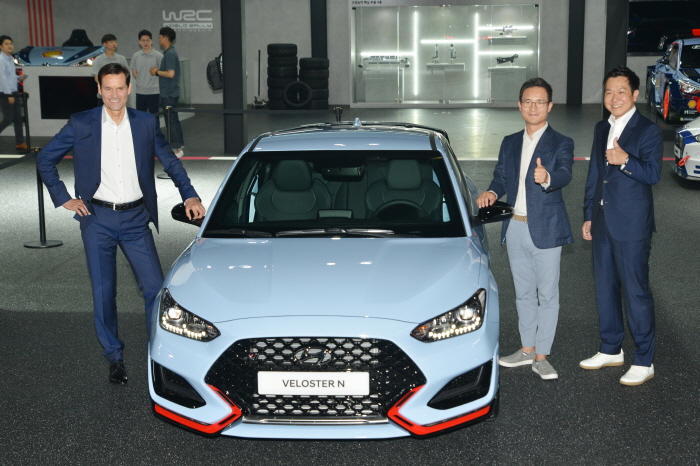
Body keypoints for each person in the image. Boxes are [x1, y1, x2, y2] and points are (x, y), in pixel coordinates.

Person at [36, 63, 206, 385]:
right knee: (104, 293)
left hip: (135, 219)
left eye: (120, 88)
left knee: (155, 289)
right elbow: (45, 158)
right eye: (108, 88)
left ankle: (160, 353)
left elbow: (170, 161)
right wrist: (64, 198)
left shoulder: (145, 123)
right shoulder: (81, 122)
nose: (114, 95)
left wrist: (190, 195)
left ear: (129, 89)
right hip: (96, 219)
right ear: (99, 89)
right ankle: (114, 356)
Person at [477, 77, 574, 381]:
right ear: (520, 105)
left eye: (539, 102)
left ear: (550, 106)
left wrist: (547, 178)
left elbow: (565, 173)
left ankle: (542, 356)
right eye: (528, 101)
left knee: (548, 295)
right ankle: (527, 349)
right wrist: (492, 191)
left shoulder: (561, 142)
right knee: (523, 294)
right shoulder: (510, 141)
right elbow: (501, 177)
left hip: (546, 228)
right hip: (515, 228)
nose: (533, 107)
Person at [580, 66, 663, 386]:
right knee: (604, 290)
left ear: (635, 95)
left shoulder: (648, 130)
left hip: (632, 224)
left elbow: (653, 174)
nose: (614, 98)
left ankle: (644, 359)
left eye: (621, 92)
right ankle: (611, 348)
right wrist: (589, 213)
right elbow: (595, 175)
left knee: (635, 292)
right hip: (602, 221)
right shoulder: (602, 127)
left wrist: (625, 160)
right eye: (608, 92)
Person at [150, 27, 183, 157]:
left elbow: (170, 74)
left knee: (171, 121)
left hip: (169, 93)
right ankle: (178, 146)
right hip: (170, 93)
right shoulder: (170, 53)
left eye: (160, 36)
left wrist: (157, 72)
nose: (159, 39)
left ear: (165, 38)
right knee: (173, 119)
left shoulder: (170, 54)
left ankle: (176, 149)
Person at [0, 35, 28, 151]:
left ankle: (20, 143)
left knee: (18, 118)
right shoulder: (1, 60)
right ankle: (20, 142)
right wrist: (9, 94)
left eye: (11, 43)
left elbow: (10, 76)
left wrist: (19, 78)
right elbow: (1, 78)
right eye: (6, 44)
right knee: (8, 118)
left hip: (13, 91)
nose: (9, 46)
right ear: (1, 46)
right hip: (5, 92)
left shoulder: (10, 59)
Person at [130, 30, 162, 114]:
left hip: (154, 92)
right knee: (141, 116)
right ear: (139, 42)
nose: (145, 43)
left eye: (147, 40)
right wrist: (141, 81)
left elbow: (162, 72)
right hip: (140, 92)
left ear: (151, 41)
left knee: (154, 116)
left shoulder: (158, 56)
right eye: (143, 40)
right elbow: (134, 73)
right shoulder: (136, 56)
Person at [92, 34, 128, 106]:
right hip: (103, 95)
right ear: (104, 44)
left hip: (118, 95)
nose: (114, 44)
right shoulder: (98, 59)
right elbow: (96, 77)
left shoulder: (121, 59)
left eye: (115, 42)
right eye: (111, 42)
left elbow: (126, 76)